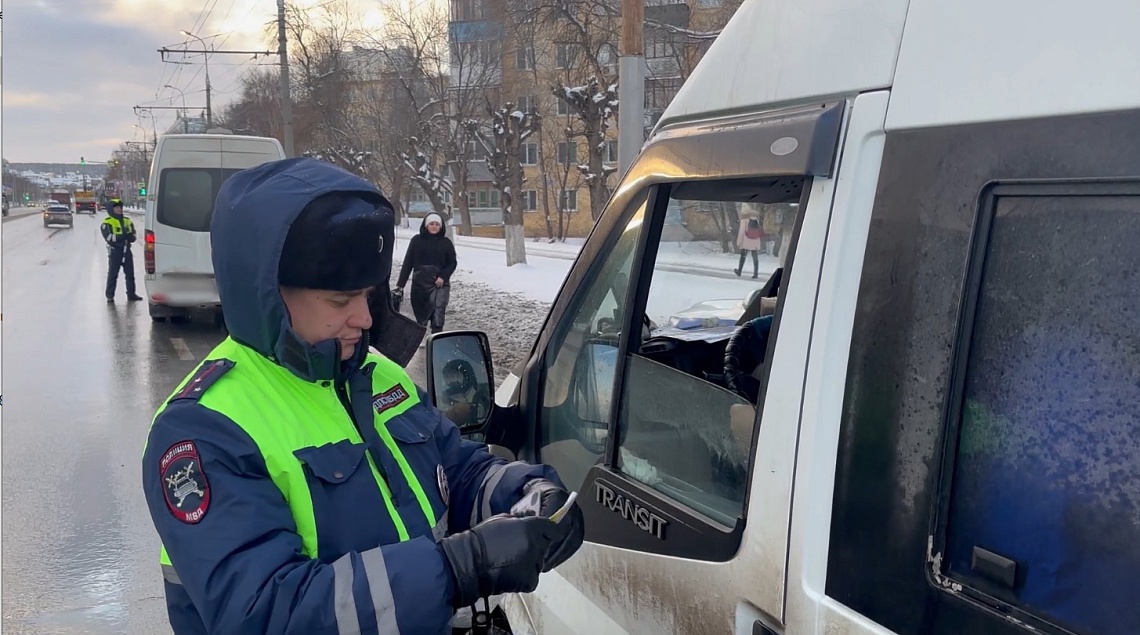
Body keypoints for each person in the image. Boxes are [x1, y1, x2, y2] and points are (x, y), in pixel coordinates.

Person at [141, 158, 584, 635]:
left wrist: (523, 493)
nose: (365, 318)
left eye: (366, 295)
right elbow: (267, 612)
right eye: (339, 302)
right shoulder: (203, 430)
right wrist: (458, 569)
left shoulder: (374, 372)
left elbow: (454, 467)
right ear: (265, 294)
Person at [395, 212, 457, 335]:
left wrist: (443, 277)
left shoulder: (446, 243)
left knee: (438, 312)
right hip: (420, 284)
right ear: (426, 225)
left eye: (437, 224)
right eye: (431, 224)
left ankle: (436, 337)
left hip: (439, 284)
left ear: (441, 227)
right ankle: (421, 335)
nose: (434, 226)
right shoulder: (416, 241)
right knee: (421, 312)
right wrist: (400, 284)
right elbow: (408, 263)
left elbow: (452, 263)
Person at [101, 198, 143, 302]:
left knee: (130, 274)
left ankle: (131, 294)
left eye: (120, 207)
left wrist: (130, 237)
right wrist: (122, 236)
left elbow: (133, 235)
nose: (119, 210)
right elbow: (109, 238)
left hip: (127, 251)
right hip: (115, 252)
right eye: (116, 208)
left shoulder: (127, 221)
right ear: (111, 209)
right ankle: (110, 295)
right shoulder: (107, 223)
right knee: (113, 274)